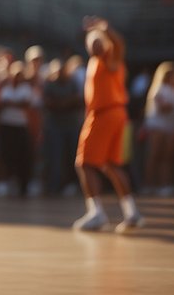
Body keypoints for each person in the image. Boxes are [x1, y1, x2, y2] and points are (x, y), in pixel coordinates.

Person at [73, 17, 143, 233]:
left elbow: (119, 43)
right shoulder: (96, 63)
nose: (93, 44)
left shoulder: (110, 58)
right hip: (116, 114)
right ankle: (131, 212)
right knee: (111, 164)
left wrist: (106, 29)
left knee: (84, 163)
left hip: (105, 114)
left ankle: (96, 213)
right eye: (90, 41)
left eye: (97, 40)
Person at [41, 58, 83, 195]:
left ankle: (75, 185)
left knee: (74, 157)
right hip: (55, 126)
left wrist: (61, 103)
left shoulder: (72, 83)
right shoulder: (49, 84)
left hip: (71, 125)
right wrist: (65, 103)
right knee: (55, 158)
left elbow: (77, 99)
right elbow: (48, 102)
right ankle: (54, 187)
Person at [0, 61, 37, 198]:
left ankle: (23, 185)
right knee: (7, 155)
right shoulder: (5, 88)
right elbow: (1, 104)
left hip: (20, 126)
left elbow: (25, 104)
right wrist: (16, 103)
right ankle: (6, 182)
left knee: (23, 156)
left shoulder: (26, 88)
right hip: (6, 126)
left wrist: (11, 103)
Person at [142, 61, 174, 197]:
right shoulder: (158, 88)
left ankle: (164, 185)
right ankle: (149, 185)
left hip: (169, 127)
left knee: (167, 157)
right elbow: (163, 107)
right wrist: (171, 106)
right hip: (157, 127)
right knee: (154, 155)